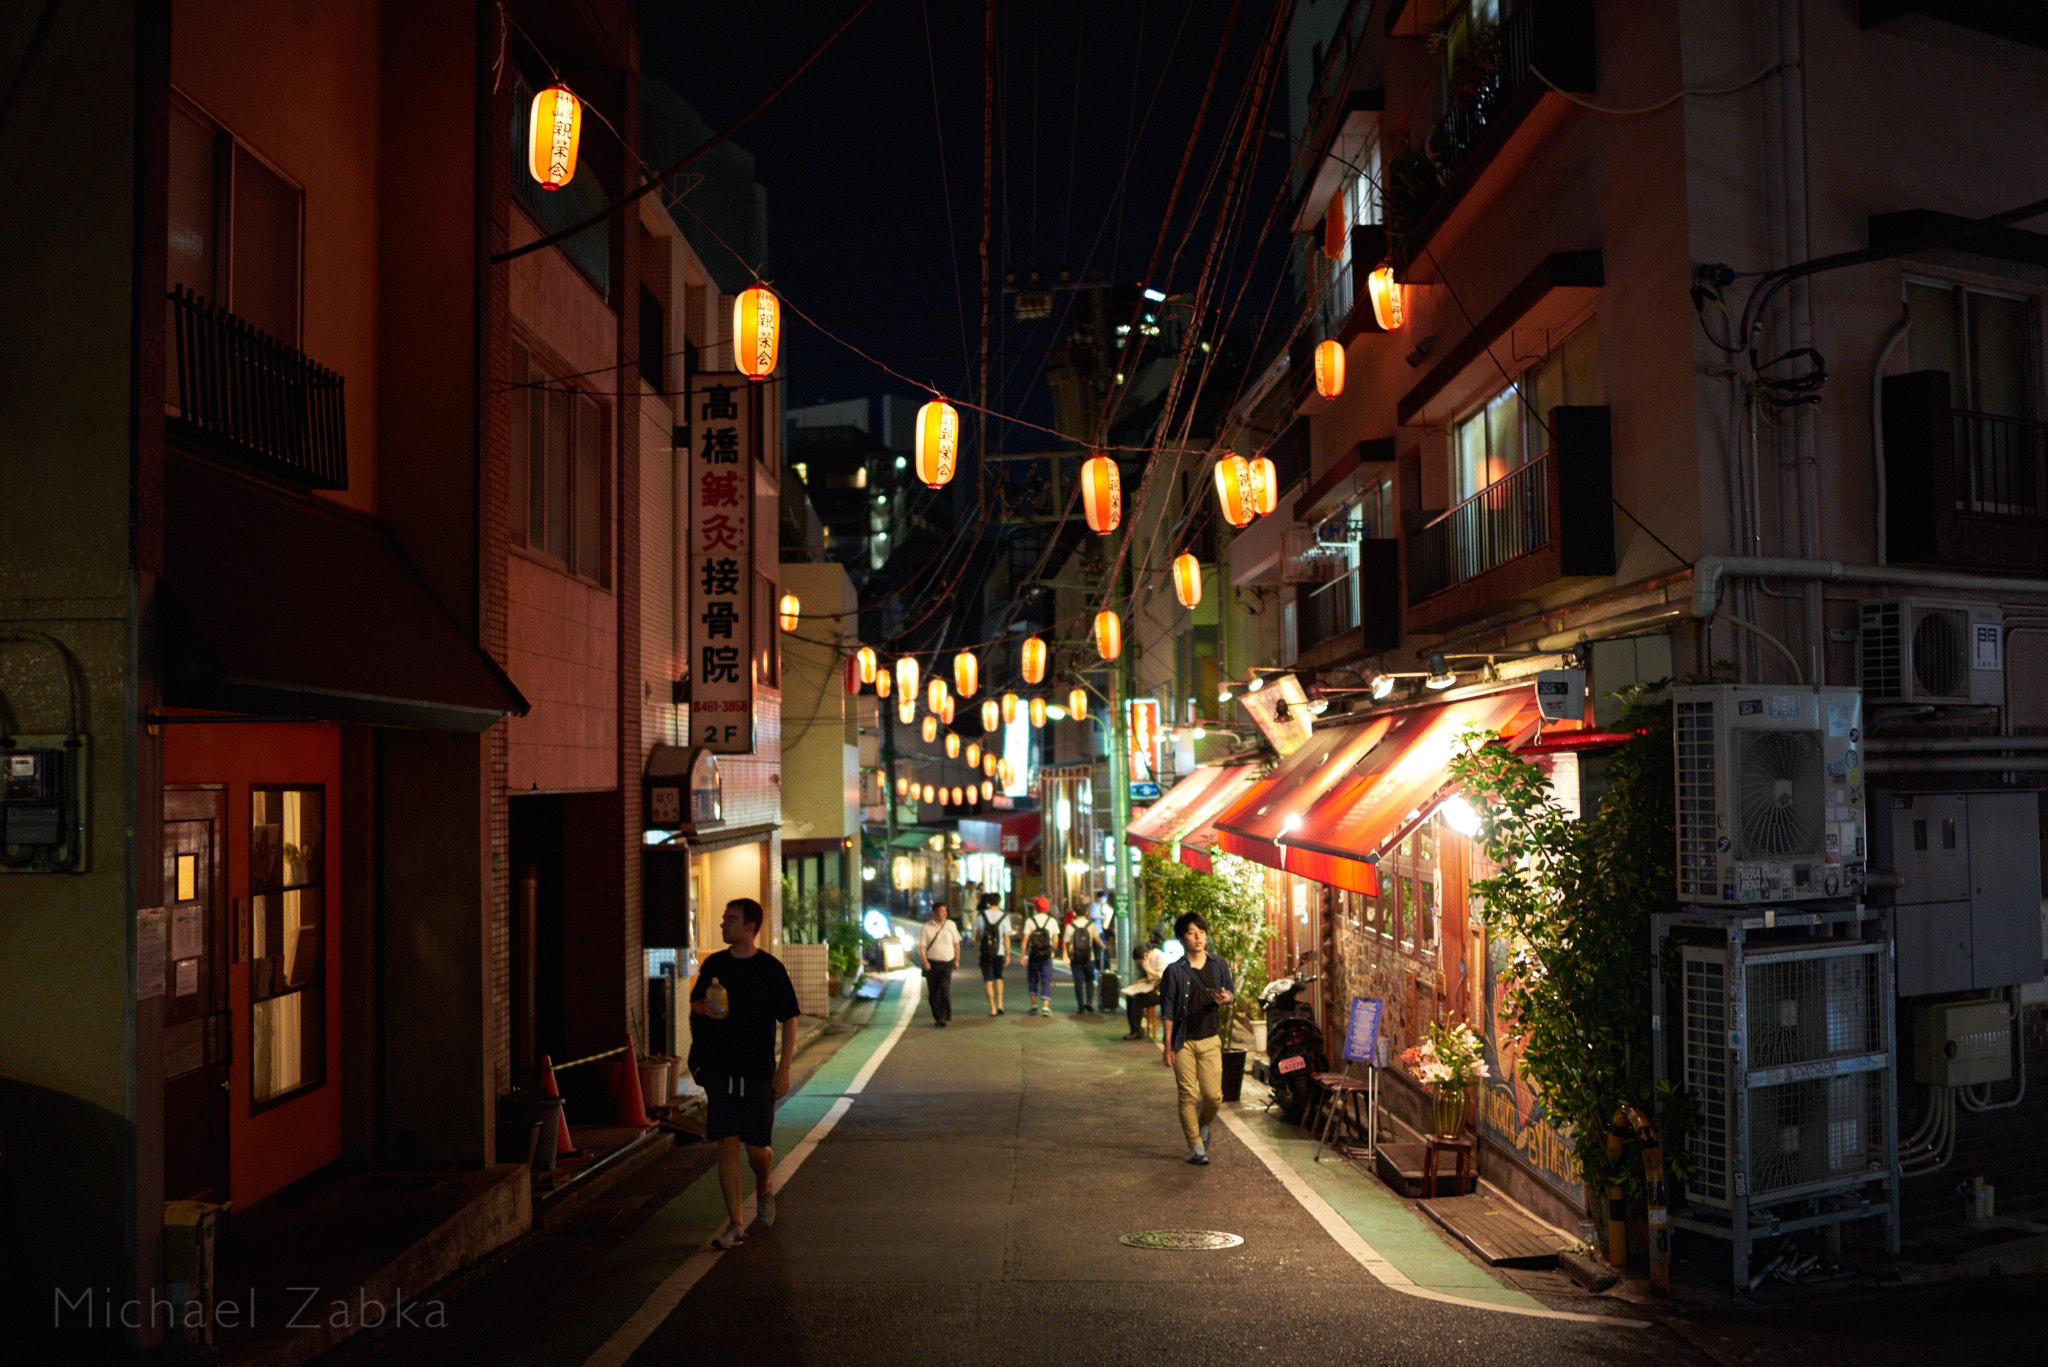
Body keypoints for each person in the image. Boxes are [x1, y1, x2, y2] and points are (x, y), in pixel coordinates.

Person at [689, 897, 801, 1247]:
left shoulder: (770, 968)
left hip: (757, 1071)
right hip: (720, 1069)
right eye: (724, 918)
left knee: (757, 1150)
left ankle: (764, 1186)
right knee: (727, 1145)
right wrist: (707, 1009)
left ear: (750, 927)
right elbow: (695, 1002)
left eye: (731, 919)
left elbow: (790, 1018)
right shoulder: (715, 964)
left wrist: (784, 1070)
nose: (724, 924)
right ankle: (736, 1224)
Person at [1159, 911, 1235, 1165]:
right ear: (1183, 938)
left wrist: (1227, 998)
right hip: (1183, 1042)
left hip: (1210, 1039)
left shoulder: (1218, 964)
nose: (1198, 937)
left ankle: (1204, 1125)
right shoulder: (1174, 971)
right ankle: (1196, 1146)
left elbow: (1230, 992)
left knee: (1214, 1097)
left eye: (1201, 932)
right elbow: (1168, 1010)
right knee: (1188, 1095)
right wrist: (1168, 1045)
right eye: (1191, 933)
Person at [917, 903, 960, 1027]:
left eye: (945, 912)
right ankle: (937, 1016)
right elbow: (922, 947)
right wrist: (925, 962)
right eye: (941, 912)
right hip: (932, 964)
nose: (944, 914)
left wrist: (957, 959)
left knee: (944, 988)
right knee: (933, 992)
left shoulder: (951, 925)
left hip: (948, 962)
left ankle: (944, 1016)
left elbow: (956, 943)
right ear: (934, 913)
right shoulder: (926, 927)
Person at [969, 893, 1012, 1016]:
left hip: (985, 952)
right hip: (999, 952)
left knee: (988, 980)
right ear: (999, 902)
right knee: (999, 977)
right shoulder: (1004, 917)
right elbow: (1006, 937)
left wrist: (978, 950)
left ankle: (992, 1008)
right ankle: (1000, 1004)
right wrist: (1008, 955)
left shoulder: (981, 916)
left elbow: (976, 936)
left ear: (988, 902)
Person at [1021, 895, 1061, 1017]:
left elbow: (1025, 939)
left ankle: (1033, 1006)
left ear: (1036, 908)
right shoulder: (1052, 921)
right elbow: (1055, 940)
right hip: (1047, 955)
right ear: (1048, 908)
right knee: (1046, 980)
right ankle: (1045, 1007)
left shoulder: (1030, 921)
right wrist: (1053, 950)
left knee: (1032, 979)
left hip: (1033, 955)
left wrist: (1023, 955)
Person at [1122, 939, 1167, 1040]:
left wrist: (1148, 969)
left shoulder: (1160, 957)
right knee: (1130, 996)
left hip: (1164, 992)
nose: (1141, 964)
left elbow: (1163, 976)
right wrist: (1143, 981)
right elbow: (1153, 978)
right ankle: (1135, 1029)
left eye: (1140, 961)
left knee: (1137, 999)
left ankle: (1137, 1031)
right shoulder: (1149, 959)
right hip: (1154, 989)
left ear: (1145, 955)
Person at [1066, 912, 1098, 1014]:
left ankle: (1080, 1006)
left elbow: (1066, 941)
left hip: (1076, 958)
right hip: (1089, 957)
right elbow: (1097, 939)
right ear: (1086, 912)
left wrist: (1067, 954)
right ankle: (1089, 1002)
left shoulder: (1071, 926)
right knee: (1090, 980)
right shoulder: (1091, 925)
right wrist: (1102, 946)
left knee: (1078, 983)